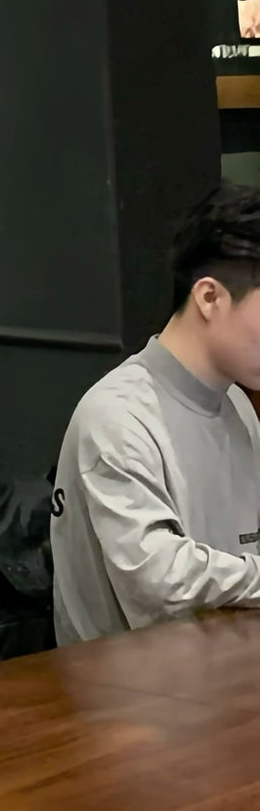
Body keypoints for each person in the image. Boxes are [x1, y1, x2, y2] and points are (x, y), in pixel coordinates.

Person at [50, 183, 260, 643]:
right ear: (210, 298)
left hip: (224, 656)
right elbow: (161, 582)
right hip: (127, 677)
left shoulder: (238, 405)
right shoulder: (117, 418)